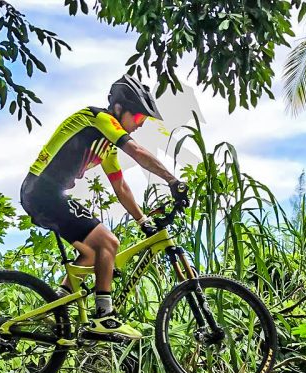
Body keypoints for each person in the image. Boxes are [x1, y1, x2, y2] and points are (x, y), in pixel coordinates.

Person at [20, 74, 188, 340]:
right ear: (119, 109)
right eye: (138, 118)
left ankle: (53, 312)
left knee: (91, 255)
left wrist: (143, 220)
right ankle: (104, 317)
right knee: (108, 242)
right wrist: (172, 180)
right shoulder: (99, 118)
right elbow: (138, 152)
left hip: (47, 193)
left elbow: (121, 188)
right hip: (43, 190)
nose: (139, 126)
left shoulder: (106, 148)